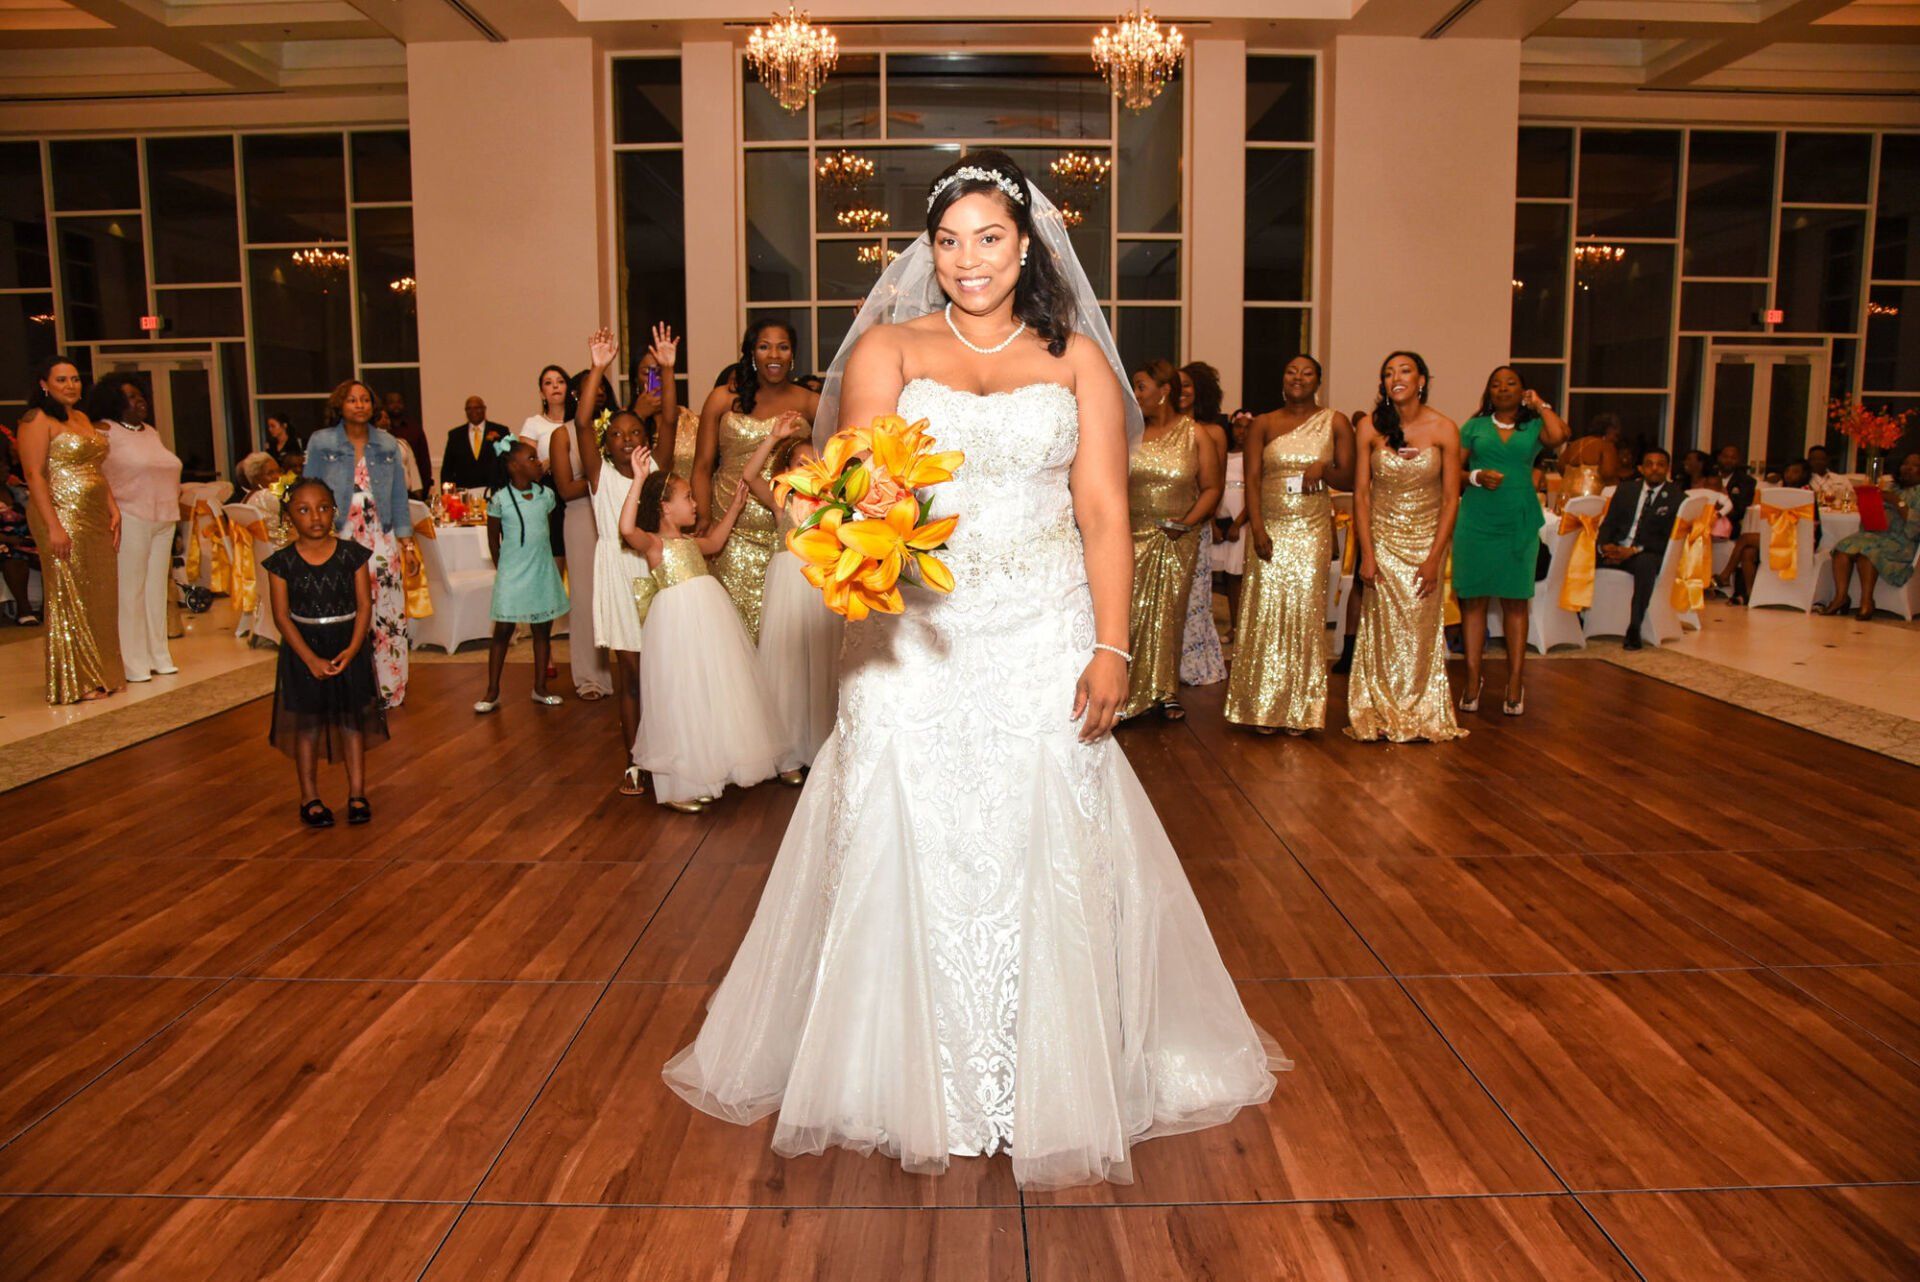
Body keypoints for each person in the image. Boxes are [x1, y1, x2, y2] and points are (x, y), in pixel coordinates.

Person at [662, 151, 1282, 1190]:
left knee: (1041, 818)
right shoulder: (891, 351)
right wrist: (832, 523)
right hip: (916, 631)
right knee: (904, 815)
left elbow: (1101, 512)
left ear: (1026, 245)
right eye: (948, 241)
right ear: (929, 251)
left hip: (1042, 625)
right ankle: (890, 1072)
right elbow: (849, 486)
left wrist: (1113, 644)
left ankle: (1054, 1068)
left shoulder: (1078, 357)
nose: (967, 260)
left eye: (988, 238)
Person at [619, 463, 783, 813]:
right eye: (687, 497)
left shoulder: (690, 542)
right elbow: (626, 528)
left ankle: (706, 771)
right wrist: (636, 480)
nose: (695, 504)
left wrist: (736, 507)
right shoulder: (654, 544)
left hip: (708, 621)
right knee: (681, 693)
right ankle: (679, 783)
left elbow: (717, 542)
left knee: (708, 690)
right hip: (677, 624)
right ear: (664, 506)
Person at [1226, 354, 1352, 735]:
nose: (1298, 378)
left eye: (1307, 373)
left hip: (1312, 528)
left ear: (1319, 381)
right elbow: (1251, 479)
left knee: (1304, 614)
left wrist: (1325, 470)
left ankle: (1300, 707)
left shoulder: (1336, 422)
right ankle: (1263, 704)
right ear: (1283, 380)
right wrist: (1258, 529)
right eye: (1291, 371)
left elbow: (1350, 478)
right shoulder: (1263, 423)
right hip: (1271, 526)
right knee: (1264, 613)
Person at [1346, 351, 1466, 744]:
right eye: (1387, 373)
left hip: (1425, 543)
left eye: (1404, 371)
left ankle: (1418, 710)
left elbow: (1451, 500)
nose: (1395, 378)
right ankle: (1379, 710)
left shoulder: (1445, 428)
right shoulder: (1369, 428)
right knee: (1380, 628)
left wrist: (1435, 558)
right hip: (1380, 539)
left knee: (1419, 627)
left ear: (1422, 381)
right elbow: (1361, 495)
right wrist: (1367, 552)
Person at [572, 327, 664, 793]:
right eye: (618, 435)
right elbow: (582, 423)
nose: (627, 439)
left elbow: (665, 419)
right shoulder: (600, 477)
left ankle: (665, 751)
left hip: (652, 572)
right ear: (607, 445)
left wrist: (665, 370)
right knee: (629, 674)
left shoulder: (656, 475)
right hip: (616, 572)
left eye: (635, 432)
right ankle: (634, 760)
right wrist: (598, 367)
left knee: (662, 670)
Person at [265, 476, 386, 829]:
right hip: (305, 649)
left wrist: (352, 649)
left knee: (352, 723)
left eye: (323, 508)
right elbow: (281, 617)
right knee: (308, 727)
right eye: (304, 510)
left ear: (334, 512)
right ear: (289, 517)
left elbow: (365, 606)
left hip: (348, 645)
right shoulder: (281, 563)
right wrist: (309, 658)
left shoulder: (352, 555)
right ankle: (310, 797)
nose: (315, 517)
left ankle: (358, 793)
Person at [1452, 366, 1569, 718]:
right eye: (1496, 384)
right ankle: (1473, 680)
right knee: (1472, 602)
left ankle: (1516, 681)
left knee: (1516, 603)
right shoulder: (1473, 427)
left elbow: (1560, 435)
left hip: (1517, 520)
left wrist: (1541, 404)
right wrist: (1474, 475)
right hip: (1476, 520)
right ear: (1488, 391)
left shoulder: (1533, 426)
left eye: (1511, 384)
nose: (1503, 389)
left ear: (1523, 390)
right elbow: (1450, 471)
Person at [692, 320, 819, 640]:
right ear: (751, 353)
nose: (773, 354)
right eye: (764, 346)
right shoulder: (722, 398)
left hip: (788, 533)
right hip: (730, 529)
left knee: (785, 632)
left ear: (793, 355)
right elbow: (703, 465)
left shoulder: (809, 402)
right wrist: (704, 516)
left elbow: (832, 462)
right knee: (733, 628)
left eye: (783, 346)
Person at [18, 354, 124, 704]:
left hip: (94, 515)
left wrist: (112, 507)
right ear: (44, 384)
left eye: (75, 379)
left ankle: (104, 672)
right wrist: (54, 527)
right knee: (70, 594)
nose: (70, 385)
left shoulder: (81, 418)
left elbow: (95, 468)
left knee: (101, 593)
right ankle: (76, 680)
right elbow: (33, 475)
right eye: (61, 379)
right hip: (60, 514)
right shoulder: (37, 420)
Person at [1119, 359, 1221, 722]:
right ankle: (1124, 687)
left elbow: (1211, 489)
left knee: (1167, 614)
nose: (1135, 393)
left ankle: (1164, 691)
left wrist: (1187, 523)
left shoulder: (1196, 435)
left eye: (1141, 385)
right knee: (1127, 612)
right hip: (1129, 535)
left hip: (1176, 537)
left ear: (1164, 393)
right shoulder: (1128, 434)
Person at [303, 379, 416, 707]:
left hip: (381, 536)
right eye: (352, 400)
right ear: (340, 405)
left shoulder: (387, 444)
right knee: (344, 613)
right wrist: (312, 540)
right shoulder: (322, 442)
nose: (359, 405)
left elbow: (398, 497)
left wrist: (407, 545)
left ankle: (389, 691)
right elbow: (308, 491)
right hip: (339, 536)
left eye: (365, 399)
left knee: (388, 615)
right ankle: (343, 688)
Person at [744, 406, 840, 783]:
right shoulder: (780, 500)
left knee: (820, 663)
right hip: (787, 579)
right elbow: (750, 476)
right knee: (788, 666)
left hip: (818, 579)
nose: (806, 468)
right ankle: (787, 755)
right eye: (798, 462)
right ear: (787, 470)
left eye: (812, 461)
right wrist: (773, 437)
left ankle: (820, 748)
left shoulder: (832, 503)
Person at [92, 378, 185, 684]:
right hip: (130, 515)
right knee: (131, 592)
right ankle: (133, 662)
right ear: (113, 401)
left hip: (164, 517)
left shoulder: (152, 432)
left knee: (157, 590)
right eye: (130, 397)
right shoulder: (104, 431)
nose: (140, 401)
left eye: (140, 395)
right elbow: (95, 474)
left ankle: (158, 655)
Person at [475, 437, 568, 712]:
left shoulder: (546, 496)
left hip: (540, 570)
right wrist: (502, 567)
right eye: (531, 459)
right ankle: (492, 691)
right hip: (512, 572)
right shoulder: (500, 499)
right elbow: (494, 539)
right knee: (503, 629)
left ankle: (540, 687)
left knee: (542, 629)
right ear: (514, 466)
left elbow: (546, 532)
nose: (538, 463)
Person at [1595, 446, 1683, 650]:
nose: (1655, 469)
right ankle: (1577, 618)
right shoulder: (1626, 490)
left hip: (1647, 553)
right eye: (1649, 464)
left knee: (1645, 565)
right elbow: (1608, 523)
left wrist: (1634, 550)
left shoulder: (1677, 498)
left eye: (1660, 465)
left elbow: (1669, 538)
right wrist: (1604, 547)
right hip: (1616, 549)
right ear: (1641, 469)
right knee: (1578, 556)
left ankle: (1634, 627)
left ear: (1667, 469)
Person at [1175, 362, 1230, 687]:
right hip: (1158, 524)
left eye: (1188, 386)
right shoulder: (1153, 431)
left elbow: (1216, 483)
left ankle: (1194, 660)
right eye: (1176, 386)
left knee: (1195, 597)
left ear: (1200, 392)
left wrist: (1196, 518)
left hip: (1195, 523)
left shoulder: (1211, 433)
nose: (1181, 392)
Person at [1822, 451, 1920, 619]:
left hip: (1902, 541)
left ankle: (1867, 601)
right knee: (1842, 548)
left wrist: (1896, 502)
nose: (1908, 468)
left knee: (1868, 554)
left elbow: (1915, 524)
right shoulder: (1890, 487)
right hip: (1876, 534)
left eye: (1915, 465)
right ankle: (1841, 597)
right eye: (1906, 463)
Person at [1212, 409, 1253, 638]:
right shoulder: (1224, 455)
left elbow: (1254, 493)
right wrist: (1214, 522)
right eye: (1239, 427)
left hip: (1242, 521)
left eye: (1248, 428)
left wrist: (1239, 523)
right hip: (1223, 519)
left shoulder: (1253, 456)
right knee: (1227, 575)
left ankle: (1241, 627)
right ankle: (1230, 623)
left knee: (1238, 575)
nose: (1242, 432)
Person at [441, 396, 509, 491]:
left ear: (484, 409)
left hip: (494, 490)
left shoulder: (500, 431)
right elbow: (447, 469)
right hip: (464, 492)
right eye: (469, 408)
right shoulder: (455, 435)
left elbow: (508, 463)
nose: (473, 411)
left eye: (477, 408)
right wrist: (447, 495)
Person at [0, 486, 42, 625]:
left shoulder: (18, 492)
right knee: (13, 556)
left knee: (50, 556)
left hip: (25, 537)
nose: (5, 469)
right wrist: (8, 539)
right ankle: (24, 610)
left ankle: (48, 608)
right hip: (5, 541)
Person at [1558, 412, 1622, 494]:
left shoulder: (1574, 444)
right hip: (1590, 499)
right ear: (1609, 429)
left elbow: (1560, 466)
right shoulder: (1606, 446)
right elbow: (1608, 474)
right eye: (1616, 435)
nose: (1616, 440)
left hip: (1565, 496)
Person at [381, 389, 432, 492]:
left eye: (399, 402)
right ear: (385, 406)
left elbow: (424, 461)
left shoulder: (414, 430)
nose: (396, 405)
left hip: (413, 488)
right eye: (391, 402)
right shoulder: (380, 433)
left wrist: (425, 487)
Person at [1805, 444, 1854, 510]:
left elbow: (1853, 499)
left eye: (1821, 459)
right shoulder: (1804, 480)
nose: (1818, 462)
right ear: (1808, 461)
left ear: (1827, 460)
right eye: (1814, 459)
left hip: (1838, 515)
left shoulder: (1841, 479)